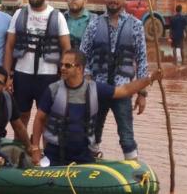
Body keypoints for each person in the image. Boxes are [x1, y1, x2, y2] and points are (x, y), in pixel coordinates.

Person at [31, 50, 162, 166]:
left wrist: (150, 79)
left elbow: (124, 90)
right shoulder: (52, 90)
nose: (62, 68)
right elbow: (39, 119)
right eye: (62, 64)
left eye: (67, 65)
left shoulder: (95, 88)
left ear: (79, 68)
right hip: (55, 154)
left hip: (82, 155)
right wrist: (36, 148)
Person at [80, 0, 148, 160]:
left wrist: (142, 93)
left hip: (123, 90)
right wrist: (86, 77)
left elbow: (142, 60)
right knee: (92, 131)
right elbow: (82, 55)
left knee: (126, 134)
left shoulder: (136, 25)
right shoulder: (94, 23)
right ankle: (88, 164)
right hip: (97, 88)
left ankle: (133, 166)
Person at [4, 0, 71, 129]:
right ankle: (21, 148)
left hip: (48, 76)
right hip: (22, 74)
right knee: (21, 116)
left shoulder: (57, 17)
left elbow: (66, 49)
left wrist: (65, 77)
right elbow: (9, 46)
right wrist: (7, 75)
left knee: (46, 117)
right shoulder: (18, 14)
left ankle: (43, 150)